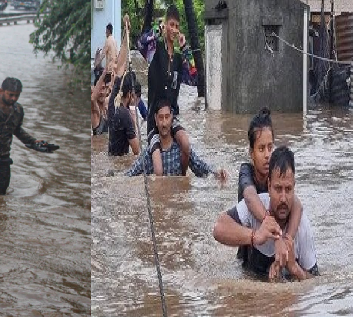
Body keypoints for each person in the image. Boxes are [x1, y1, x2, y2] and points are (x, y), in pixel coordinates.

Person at [213, 146, 318, 280]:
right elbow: (218, 228)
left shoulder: (302, 227)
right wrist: (255, 237)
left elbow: (316, 284)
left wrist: (294, 268)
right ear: (268, 186)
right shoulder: (256, 207)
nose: (283, 198)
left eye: (288, 189)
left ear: (294, 187)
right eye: (278, 189)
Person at [234, 108, 303, 271]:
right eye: (261, 148)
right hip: (249, 248)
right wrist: (272, 226)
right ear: (251, 153)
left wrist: (287, 239)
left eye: (270, 147)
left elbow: (297, 206)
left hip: (275, 244)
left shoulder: (277, 176)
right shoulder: (246, 172)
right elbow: (250, 197)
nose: (267, 155)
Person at [0, 77, 57, 194]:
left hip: (2, 157)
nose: (13, 98)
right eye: (11, 95)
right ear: (1, 91)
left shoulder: (18, 110)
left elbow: (17, 130)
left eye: (17, 95)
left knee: (0, 195)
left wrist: (33, 143)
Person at [137, 0, 194, 167]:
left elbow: (193, 77)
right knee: (158, 168)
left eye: (177, 26)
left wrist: (185, 49)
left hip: (171, 119)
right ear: (165, 25)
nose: (174, 30)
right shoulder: (154, 51)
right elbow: (140, 43)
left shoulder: (178, 59)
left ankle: (182, 181)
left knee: (185, 144)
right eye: (171, 25)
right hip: (155, 120)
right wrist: (156, 30)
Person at [125, 99, 226, 180]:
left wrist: (217, 173)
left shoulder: (180, 148)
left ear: (172, 118)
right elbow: (129, 176)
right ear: (155, 119)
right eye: (161, 118)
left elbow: (201, 168)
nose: (164, 123)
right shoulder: (149, 153)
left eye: (167, 117)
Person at [107, 74, 141, 156]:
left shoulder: (113, 105)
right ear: (130, 94)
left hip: (111, 156)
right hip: (120, 161)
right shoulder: (125, 114)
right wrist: (133, 113)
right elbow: (136, 151)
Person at [92, 69, 111, 135]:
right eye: (99, 89)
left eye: (103, 88)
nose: (102, 92)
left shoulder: (108, 105)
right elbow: (93, 99)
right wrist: (104, 73)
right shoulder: (95, 110)